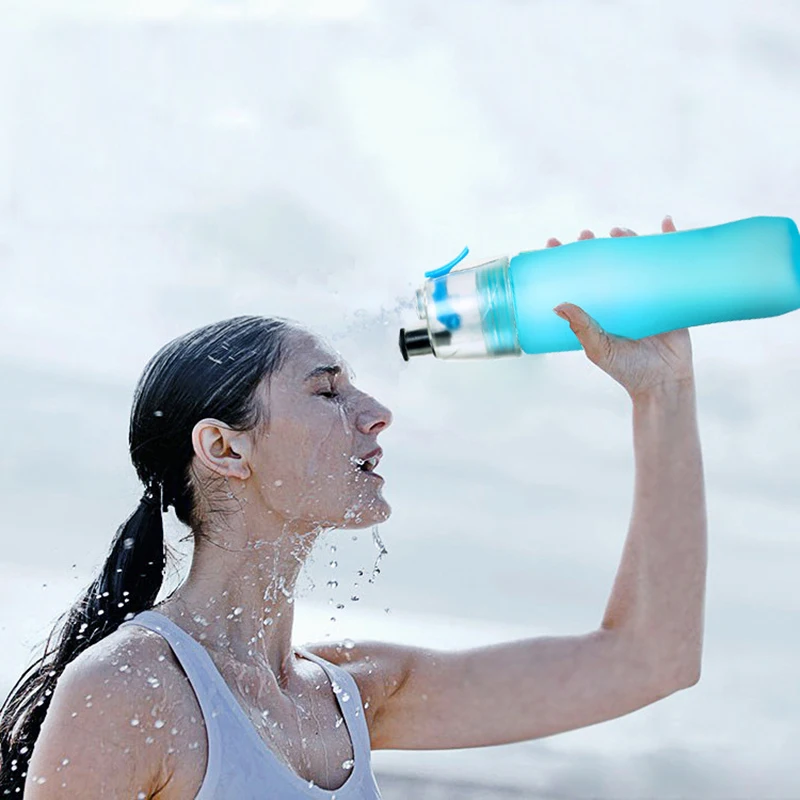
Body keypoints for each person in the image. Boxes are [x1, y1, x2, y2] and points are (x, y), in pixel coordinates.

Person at [0, 216, 706, 799]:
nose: (376, 413)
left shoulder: (350, 695)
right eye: (327, 391)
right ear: (225, 448)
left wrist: (663, 394)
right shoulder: (128, 690)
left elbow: (651, 660)